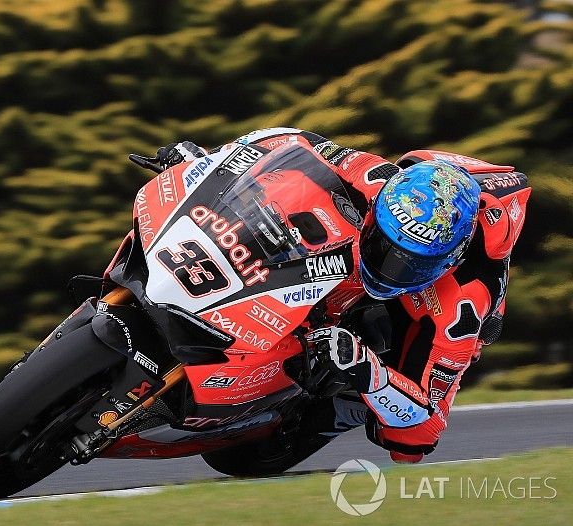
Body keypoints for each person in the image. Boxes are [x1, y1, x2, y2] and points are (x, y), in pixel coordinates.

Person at [156, 128, 531, 462]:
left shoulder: (461, 305)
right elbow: (285, 142)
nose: (387, 267)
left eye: (407, 264)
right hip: (415, 203)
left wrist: (370, 373)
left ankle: (337, 409)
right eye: (382, 246)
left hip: (417, 312)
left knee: (386, 397)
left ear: (448, 261)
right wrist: (208, 164)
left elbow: (421, 438)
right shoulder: (376, 178)